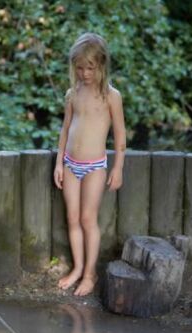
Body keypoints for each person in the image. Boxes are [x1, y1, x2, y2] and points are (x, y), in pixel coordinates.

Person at [54, 33, 126, 296]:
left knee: (87, 218)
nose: (84, 73)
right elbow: (65, 130)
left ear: (102, 65)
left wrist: (117, 167)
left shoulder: (111, 96)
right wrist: (60, 164)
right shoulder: (72, 94)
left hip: (95, 166)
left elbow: (120, 135)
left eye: (90, 68)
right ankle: (78, 268)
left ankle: (90, 274)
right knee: (72, 218)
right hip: (71, 164)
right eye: (80, 67)